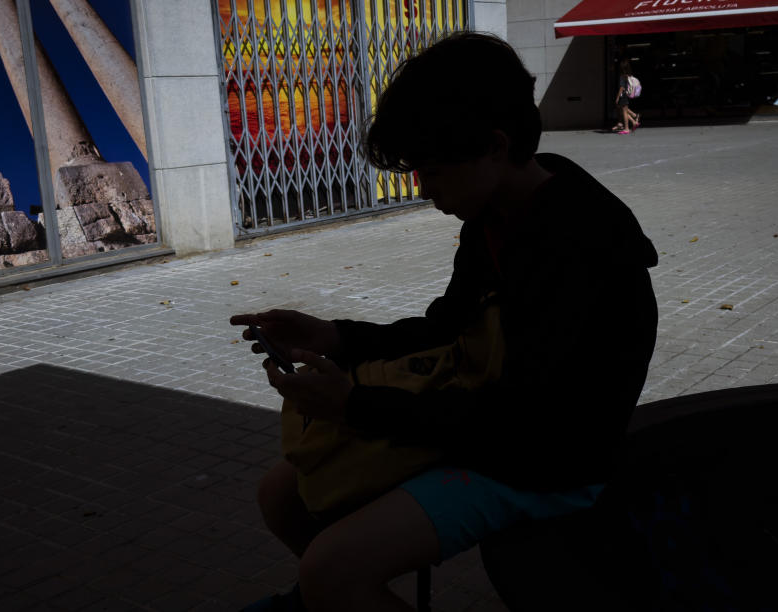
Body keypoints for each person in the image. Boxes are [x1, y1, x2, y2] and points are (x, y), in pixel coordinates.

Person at [230, 32, 658, 612]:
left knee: (331, 569)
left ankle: (336, 592)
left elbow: (524, 420)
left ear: (495, 146)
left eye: (432, 170)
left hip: (549, 463)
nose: (423, 190)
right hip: (492, 427)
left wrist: (354, 405)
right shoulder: (495, 214)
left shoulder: (578, 242)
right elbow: (446, 327)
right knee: (280, 495)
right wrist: (331, 335)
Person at [614, 59, 641, 134]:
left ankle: (626, 128)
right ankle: (634, 120)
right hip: (626, 95)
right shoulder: (628, 75)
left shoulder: (622, 76)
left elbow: (622, 87)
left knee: (624, 112)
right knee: (624, 110)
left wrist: (617, 97)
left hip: (623, 95)